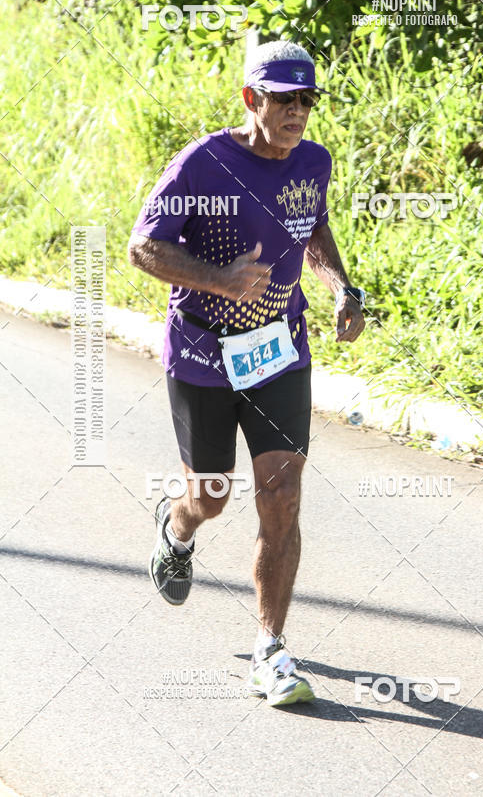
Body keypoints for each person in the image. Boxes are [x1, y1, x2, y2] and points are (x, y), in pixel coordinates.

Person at [128, 39, 365, 706]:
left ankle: (271, 650)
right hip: (203, 355)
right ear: (250, 99)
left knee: (282, 497)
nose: (297, 114)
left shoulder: (313, 161)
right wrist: (221, 280)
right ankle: (176, 531)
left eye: (307, 101)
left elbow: (311, 227)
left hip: (279, 353)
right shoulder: (203, 164)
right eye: (284, 101)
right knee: (210, 495)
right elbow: (143, 247)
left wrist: (341, 287)